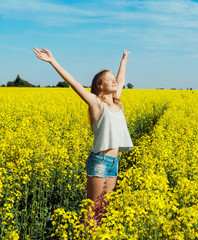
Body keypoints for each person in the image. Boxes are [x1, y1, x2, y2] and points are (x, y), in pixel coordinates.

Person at [33, 47, 134, 227]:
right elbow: (74, 83)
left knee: (102, 210)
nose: (114, 81)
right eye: (108, 79)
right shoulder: (96, 104)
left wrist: (123, 61)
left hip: (114, 162)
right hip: (100, 161)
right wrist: (52, 61)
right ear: (99, 86)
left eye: (113, 79)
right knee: (92, 211)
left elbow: (121, 80)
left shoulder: (116, 102)